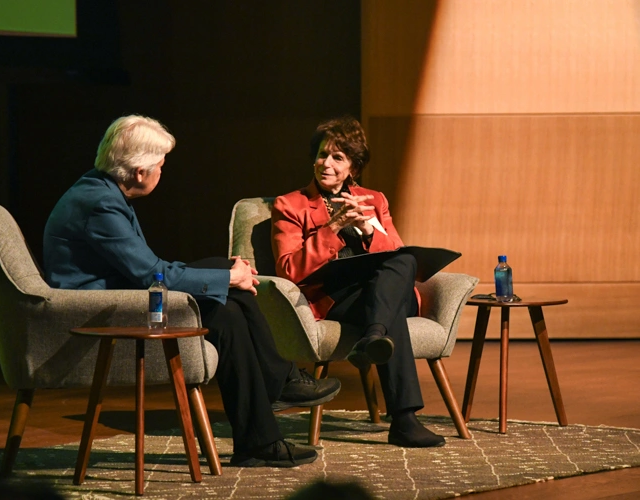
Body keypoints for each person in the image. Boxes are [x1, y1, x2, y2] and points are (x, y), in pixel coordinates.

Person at [43, 115, 341, 467]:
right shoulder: (100, 205)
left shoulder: (101, 191)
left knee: (225, 285)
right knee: (226, 303)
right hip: (102, 314)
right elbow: (150, 274)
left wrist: (228, 274)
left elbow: (148, 269)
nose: (161, 172)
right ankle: (271, 410)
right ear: (140, 172)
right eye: (160, 166)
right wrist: (228, 278)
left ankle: (274, 403)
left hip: (120, 296)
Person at [270, 116, 445, 448]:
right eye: (322, 154)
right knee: (387, 308)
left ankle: (374, 334)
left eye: (338, 157)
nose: (326, 164)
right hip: (338, 298)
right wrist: (331, 228)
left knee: (405, 258)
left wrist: (367, 228)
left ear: (353, 167)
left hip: (386, 295)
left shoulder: (374, 200)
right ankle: (404, 419)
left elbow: (398, 257)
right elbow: (289, 270)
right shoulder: (290, 205)